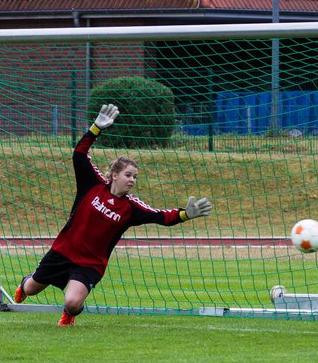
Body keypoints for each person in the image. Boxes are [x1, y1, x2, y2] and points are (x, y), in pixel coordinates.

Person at [13, 103, 212, 325]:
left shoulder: (131, 208)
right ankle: (25, 283)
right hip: (62, 251)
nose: (132, 180)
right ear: (114, 175)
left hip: (90, 264)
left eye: (135, 176)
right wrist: (96, 128)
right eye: (128, 174)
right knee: (32, 288)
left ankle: (69, 314)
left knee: (72, 301)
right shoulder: (92, 184)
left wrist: (186, 214)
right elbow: (79, 154)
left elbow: (161, 217)